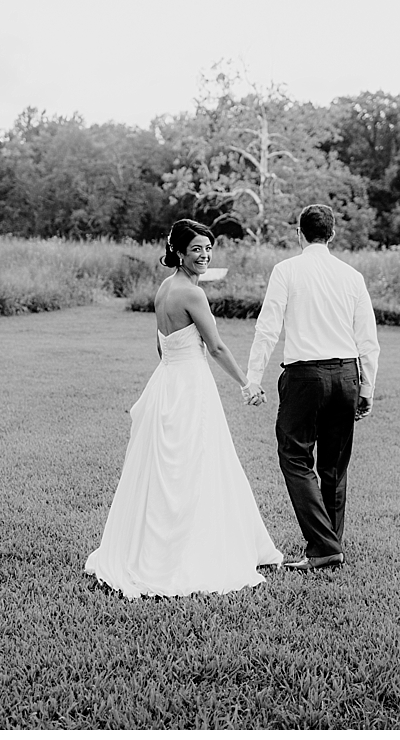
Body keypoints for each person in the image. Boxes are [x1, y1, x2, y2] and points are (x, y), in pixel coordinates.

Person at [84, 219, 283, 598]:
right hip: (190, 386)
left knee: (167, 470)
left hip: (167, 382)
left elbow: (162, 347)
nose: (205, 255)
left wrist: (177, 368)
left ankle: (154, 548)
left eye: (208, 249)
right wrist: (247, 384)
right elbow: (217, 347)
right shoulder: (192, 294)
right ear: (178, 251)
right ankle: (191, 555)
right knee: (196, 466)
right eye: (196, 249)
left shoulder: (165, 289)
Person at [245, 204, 380, 572]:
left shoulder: (286, 270)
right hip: (347, 375)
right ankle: (328, 547)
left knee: (294, 457)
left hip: (305, 377)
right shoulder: (352, 276)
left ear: (298, 234)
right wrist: (367, 387)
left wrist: (253, 377)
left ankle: (324, 547)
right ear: (332, 234)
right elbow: (368, 338)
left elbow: (268, 327)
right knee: (335, 465)